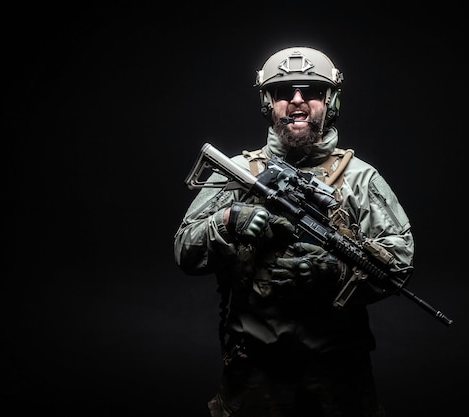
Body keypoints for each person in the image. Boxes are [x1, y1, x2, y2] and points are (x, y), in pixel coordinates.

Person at [174, 46, 415, 417]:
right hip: (254, 371)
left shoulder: (360, 178)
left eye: (312, 92)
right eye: (284, 92)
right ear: (269, 103)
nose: (297, 101)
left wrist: (334, 270)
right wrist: (229, 221)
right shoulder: (238, 173)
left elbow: (398, 261)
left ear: (329, 102)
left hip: (338, 373)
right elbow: (185, 251)